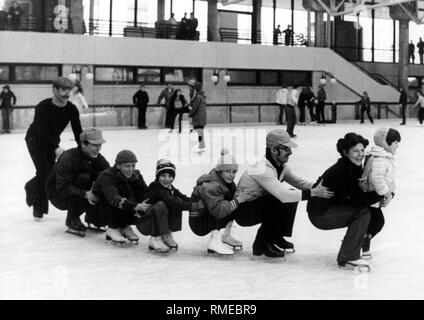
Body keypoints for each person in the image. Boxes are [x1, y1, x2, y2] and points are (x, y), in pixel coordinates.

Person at [232, 129, 333, 258]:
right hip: (244, 212)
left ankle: (276, 236)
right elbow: (283, 195)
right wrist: (313, 192)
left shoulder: (281, 166)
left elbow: (301, 183)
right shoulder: (262, 168)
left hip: (257, 205)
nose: (290, 152)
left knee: (289, 194)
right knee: (279, 198)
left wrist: (320, 187)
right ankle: (261, 244)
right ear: (274, 150)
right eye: (286, 149)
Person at [307, 133, 384, 270]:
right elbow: (358, 200)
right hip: (320, 215)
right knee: (362, 212)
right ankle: (347, 257)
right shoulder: (343, 170)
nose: (360, 154)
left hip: (332, 208)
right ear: (345, 152)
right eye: (355, 151)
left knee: (370, 211)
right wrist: (382, 194)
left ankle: (357, 243)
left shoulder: (352, 166)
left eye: (362, 150)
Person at [25, 77, 83, 220]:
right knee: (44, 172)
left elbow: (78, 132)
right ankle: (38, 209)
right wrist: (55, 147)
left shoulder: (71, 109)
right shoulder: (43, 106)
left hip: (52, 142)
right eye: (63, 90)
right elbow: (40, 130)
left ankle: (31, 186)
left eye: (69, 90)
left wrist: (84, 148)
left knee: (50, 173)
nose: (66, 93)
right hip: (35, 140)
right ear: (55, 90)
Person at [46, 128, 110, 237]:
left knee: (102, 178)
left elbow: (109, 176)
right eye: (95, 145)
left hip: (78, 191)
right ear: (83, 144)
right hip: (58, 194)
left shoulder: (99, 159)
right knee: (84, 178)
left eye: (100, 145)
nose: (98, 148)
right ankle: (72, 219)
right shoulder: (68, 158)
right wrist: (86, 194)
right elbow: (63, 187)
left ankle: (93, 218)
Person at [189, 148, 248, 256]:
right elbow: (218, 211)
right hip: (199, 222)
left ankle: (225, 234)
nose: (231, 175)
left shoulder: (227, 183)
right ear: (219, 171)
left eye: (234, 172)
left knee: (233, 203)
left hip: (210, 215)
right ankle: (214, 241)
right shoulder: (211, 186)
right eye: (227, 171)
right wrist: (238, 200)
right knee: (229, 204)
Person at [92, 150, 151, 245]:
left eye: (133, 166)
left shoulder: (135, 175)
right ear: (118, 165)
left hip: (119, 210)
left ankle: (124, 226)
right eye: (127, 166)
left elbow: (146, 193)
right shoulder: (107, 176)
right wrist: (136, 206)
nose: (131, 169)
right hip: (99, 212)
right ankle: (112, 228)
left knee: (130, 192)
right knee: (119, 195)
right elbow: (114, 199)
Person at [359, 127, 401, 259]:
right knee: (377, 222)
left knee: (374, 222)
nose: (397, 146)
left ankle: (361, 241)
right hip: (371, 197)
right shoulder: (380, 159)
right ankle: (357, 241)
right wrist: (385, 194)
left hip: (374, 197)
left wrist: (390, 192)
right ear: (385, 143)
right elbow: (376, 178)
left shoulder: (383, 157)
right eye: (395, 143)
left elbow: (389, 179)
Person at [137, 159, 192, 253]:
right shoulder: (157, 189)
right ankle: (155, 238)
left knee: (177, 200)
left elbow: (184, 198)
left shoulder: (171, 189)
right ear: (158, 177)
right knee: (165, 204)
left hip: (153, 221)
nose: (167, 179)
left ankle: (166, 234)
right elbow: (174, 203)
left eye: (170, 176)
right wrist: (194, 206)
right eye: (163, 176)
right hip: (144, 223)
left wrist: (197, 201)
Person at [189, 81, 207, 152]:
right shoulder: (201, 96)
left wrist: (191, 114)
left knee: (199, 131)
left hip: (198, 117)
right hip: (201, 116)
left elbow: (194, 107)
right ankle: (201, 145)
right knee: (200, 131)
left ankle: (201, 146)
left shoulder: (198, 97)